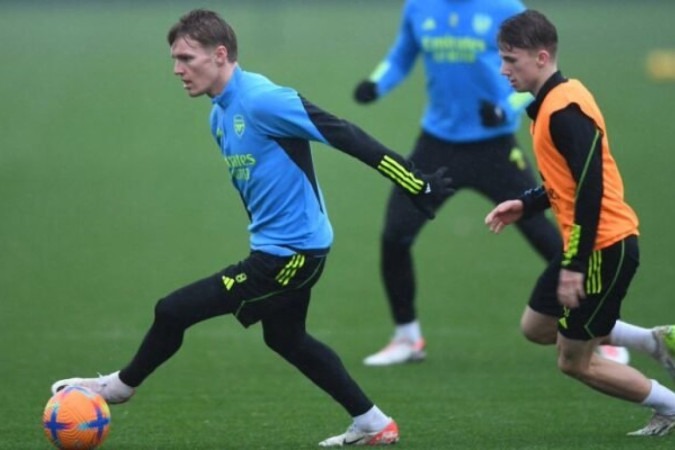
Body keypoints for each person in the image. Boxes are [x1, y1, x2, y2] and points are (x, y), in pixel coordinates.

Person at [49, 9, 454, 447]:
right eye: (174, 60)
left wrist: (415, 182)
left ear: (220, 54)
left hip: (293, 253)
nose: (177, 70)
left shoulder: (264, 99)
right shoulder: (218, 116)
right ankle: (375, 424)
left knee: (173, 310)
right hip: (279, 247)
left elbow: (344, 133)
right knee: (287, 339)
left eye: (187, 58)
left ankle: (119, 387)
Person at [352, 0, 586, 367]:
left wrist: (504, 109)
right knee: (395, 235)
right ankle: (407, 337)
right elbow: (401, 56)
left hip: (494, 148)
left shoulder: (505, 8)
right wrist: (376, 84)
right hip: (436, 146)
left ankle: (597, 332)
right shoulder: (419, 8)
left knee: (545, 235)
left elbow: (540, 79)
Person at [485, 9, 675, 436]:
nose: (503, 69)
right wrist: (527, 203)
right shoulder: (552, 100)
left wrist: (574, 267)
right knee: (537, 326)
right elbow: (568, 181)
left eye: (511, 60)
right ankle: (654, 341)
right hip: (586, 244)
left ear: (541, 56)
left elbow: (591, 191)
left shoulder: (565, 110)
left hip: (601, 247)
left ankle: (671, 406)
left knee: (575, 362)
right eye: (502, 58)